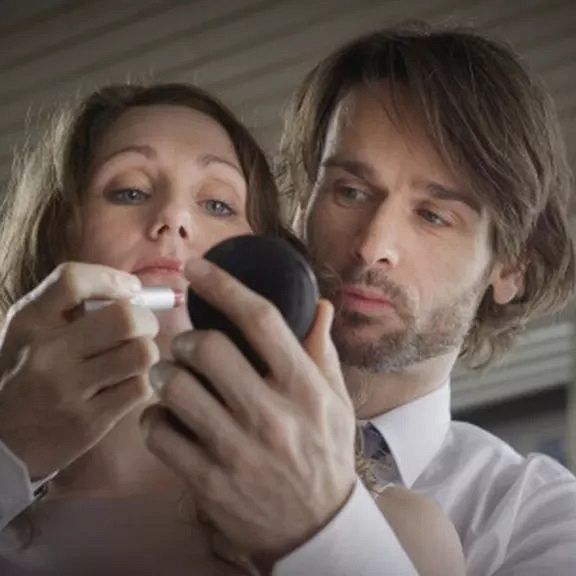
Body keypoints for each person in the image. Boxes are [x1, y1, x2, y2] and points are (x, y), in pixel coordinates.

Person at [142, 24, 576, 576]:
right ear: (303, 202)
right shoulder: (151, 434)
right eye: (349, 191)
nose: (373, 246)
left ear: (511, 268)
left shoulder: (544, 518)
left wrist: (318, 530)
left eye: (433, 215)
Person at [0, 82, 464, 575]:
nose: (174, 217)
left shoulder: (397, 533)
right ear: (57, 240)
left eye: (218, 204)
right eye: (129, 191)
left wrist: (321, 540)